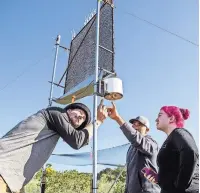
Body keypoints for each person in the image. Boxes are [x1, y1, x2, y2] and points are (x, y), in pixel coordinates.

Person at [0, 100, 108, 193]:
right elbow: (77, 140)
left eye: (83, 119)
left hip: (13, 181)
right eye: (79, 112)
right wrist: (98, 121)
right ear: (69, 110)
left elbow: (80, 139)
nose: (80, 116)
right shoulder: (56, 113)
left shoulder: (54, 130)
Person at [143, 106, 199, 193]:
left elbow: (190, 151)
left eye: (160, 115)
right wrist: (159, 179)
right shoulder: (170, 140)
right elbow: (172, 174)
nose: (156, 119)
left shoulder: (179, 133)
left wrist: (179, 186)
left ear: (171, 118)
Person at [107, 102, 160, 193]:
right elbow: (130, 176)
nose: (134, 125)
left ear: (147, 129)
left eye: (139, 124)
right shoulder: (131, 149)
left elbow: (136, 138)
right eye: (133, 124)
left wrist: (117, 118)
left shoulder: (151, 144)